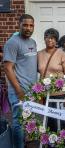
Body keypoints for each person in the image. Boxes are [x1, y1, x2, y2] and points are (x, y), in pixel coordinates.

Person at [3, 14, 37, 148]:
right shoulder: (12, 42)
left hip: (31, 90)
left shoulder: (32, 42)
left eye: (31, 25)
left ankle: (24, 143)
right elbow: (7, 68)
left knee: (28, 120)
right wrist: (18, 90)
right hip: (19, 91)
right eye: (25, 25)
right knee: (18, 122)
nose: (28, 28)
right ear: (19, 25)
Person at [37, 28, 65, 132]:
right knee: (49, 121)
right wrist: (39, 94)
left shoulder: (62, 54)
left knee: (61, 121)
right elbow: (41, 75)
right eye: (47, 37)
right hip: (46, 94)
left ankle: (62, 142)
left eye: (53, 38)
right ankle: (50, 142)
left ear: (56, 40)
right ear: (44, 39)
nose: (50, 40)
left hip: (60, 94)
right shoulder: (39, 54)